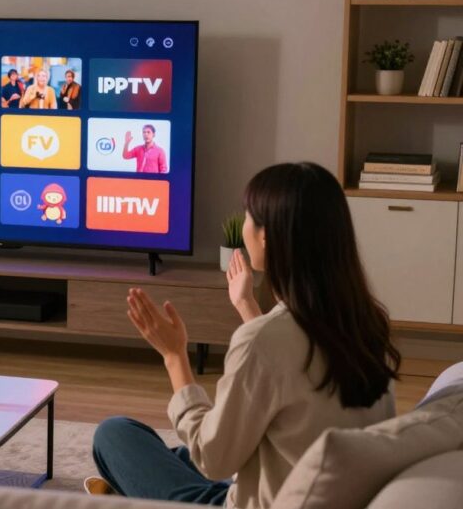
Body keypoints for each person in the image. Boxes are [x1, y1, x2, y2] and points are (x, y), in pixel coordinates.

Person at [89, 163, 400, 509]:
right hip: (315, 488)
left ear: (267, 237)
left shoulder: (263, 341)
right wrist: (246, 305)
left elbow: (213, 459)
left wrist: (175, 356)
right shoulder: (367, 322)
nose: (245, 226)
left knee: (115, 434)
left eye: (249, 216)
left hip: (252, 501)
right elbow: (291, 371)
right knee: (173, 455)